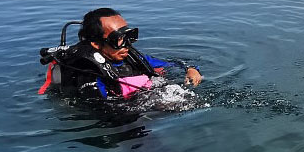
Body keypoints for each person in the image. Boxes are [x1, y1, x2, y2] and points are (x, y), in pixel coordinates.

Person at [39, 7, 202, 101]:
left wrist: (191, 69)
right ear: (96, 43)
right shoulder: (89, 73)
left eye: (129, 36)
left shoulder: (130, 57)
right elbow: (102, 110)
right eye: (118, 39)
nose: (127, 44)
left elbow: (174, 63)